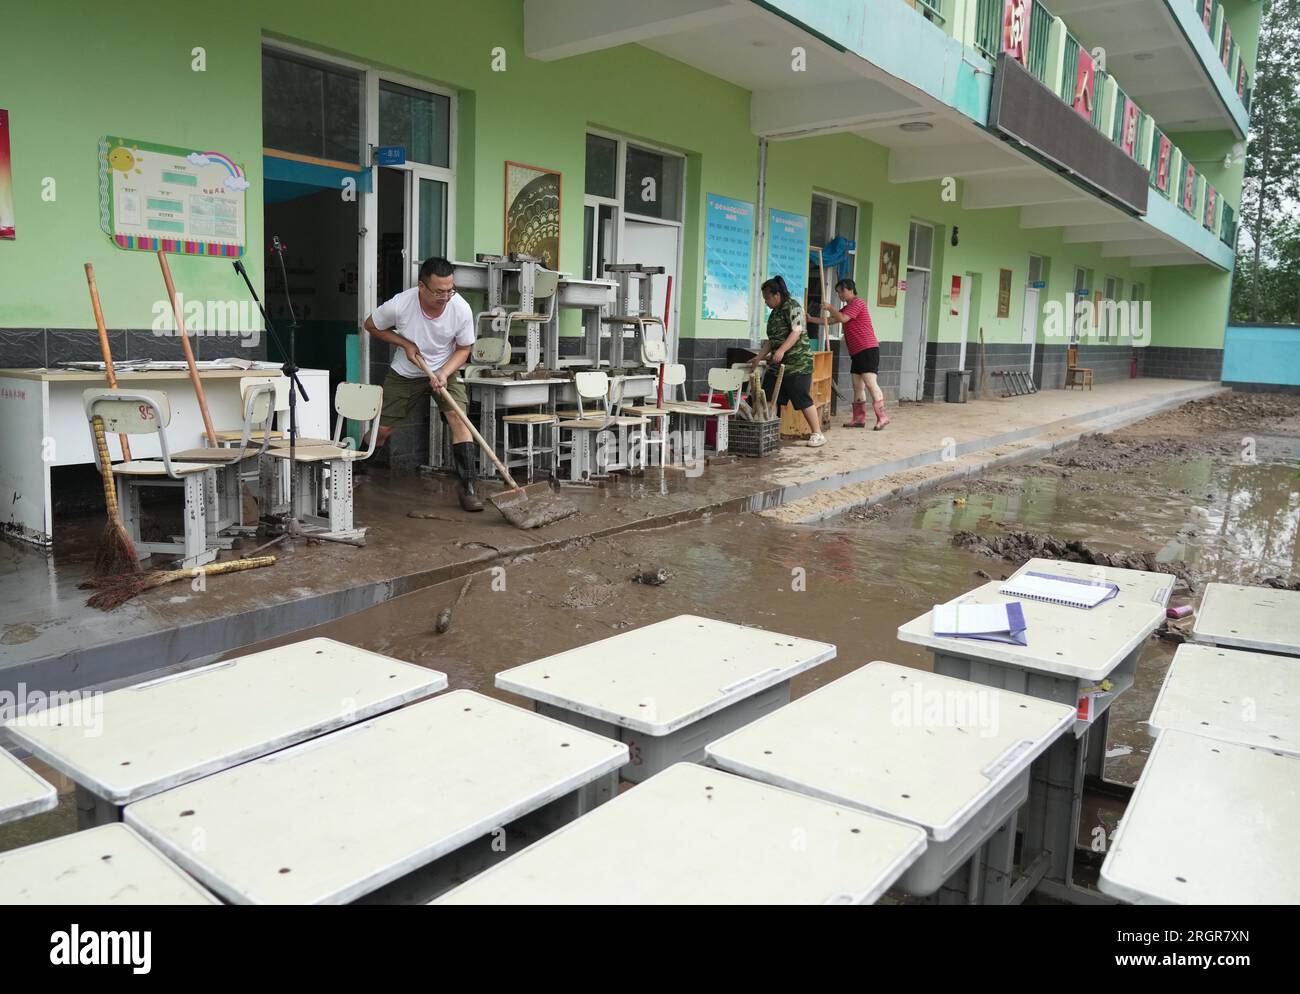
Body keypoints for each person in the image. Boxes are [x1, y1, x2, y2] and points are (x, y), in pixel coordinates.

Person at [362, 257, 482, 511]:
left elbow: (463, 349)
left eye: (450, 290)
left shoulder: (460, 308)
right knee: (382, 431)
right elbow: (370, 325)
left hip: (444, 370)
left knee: (459, 419)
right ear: (422, 286)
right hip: (406, 372)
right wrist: (404, 344)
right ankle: (358, 469)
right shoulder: (400, 304)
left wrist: (444, 373)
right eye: (439, 291)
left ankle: (469, 487)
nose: (445, 296)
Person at [748, 275, 824, 447]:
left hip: (798, 364)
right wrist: (759, 357)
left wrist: (782, 350)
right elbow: (772, 340)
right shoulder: (774, 314)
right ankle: (769, 432)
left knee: (802, 399)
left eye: (767, 298)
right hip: (777, 365)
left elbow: (796, 331)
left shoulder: (793, 307)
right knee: (767, 396)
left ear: (777, 295)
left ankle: (817, 433)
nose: (766, 302)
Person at [820, 278, 890, 430]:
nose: (840, 295)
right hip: (857, 352)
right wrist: (811, 319)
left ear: (850, 290)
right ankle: (859, 418)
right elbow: (832, 320)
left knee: (870, 383)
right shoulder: (847, 308)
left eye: (841, 291)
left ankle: (882, 417)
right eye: (838, 293)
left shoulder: (858, 303)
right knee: (857, 386)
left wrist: (830, 307)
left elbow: (842, 318)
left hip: (867, 349)